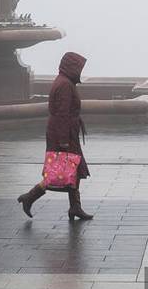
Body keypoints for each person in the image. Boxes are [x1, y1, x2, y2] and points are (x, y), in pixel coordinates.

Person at [16, 52, 93, 221]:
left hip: (65, 133)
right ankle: (30, 197)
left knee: (74, 170)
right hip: (64, 135)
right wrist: (64, 140)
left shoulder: (64, 81)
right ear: (71, 67)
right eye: (78, 68)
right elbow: (62, 114)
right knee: (58, 173)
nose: (80, 71)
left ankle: (75, 207)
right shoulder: (65, 85)